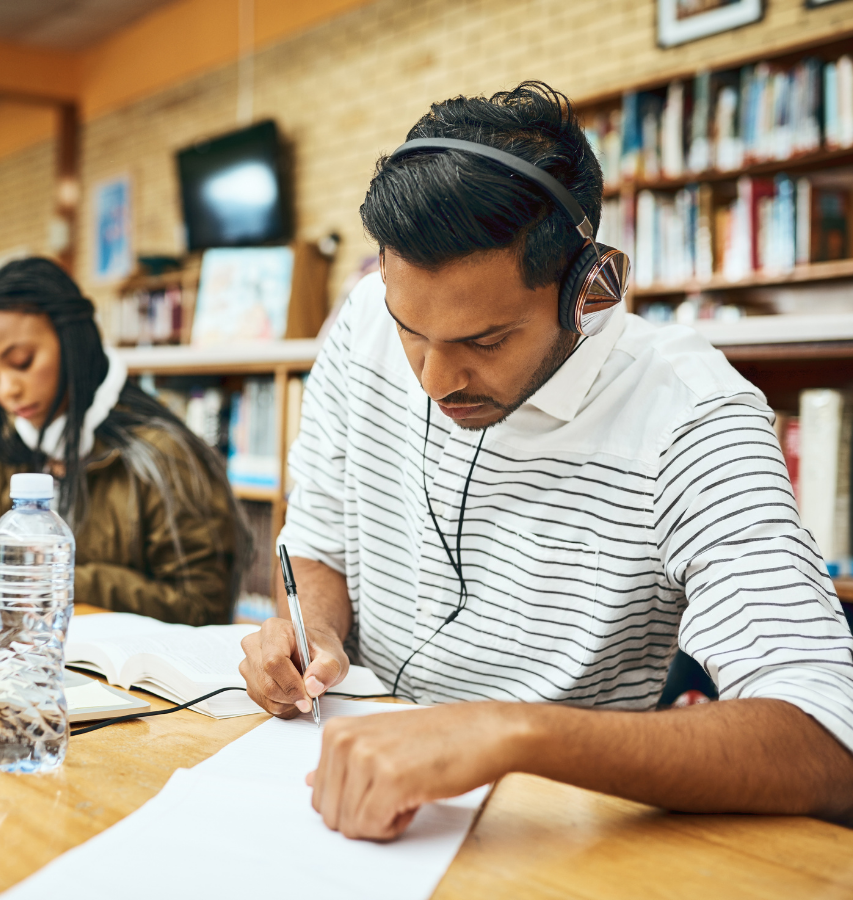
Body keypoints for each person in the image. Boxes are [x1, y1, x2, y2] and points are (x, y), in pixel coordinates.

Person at [238, 82, 853, 839]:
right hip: (347, 783)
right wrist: (315, 634)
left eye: (485, 341)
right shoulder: (363, 319)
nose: (434, 382)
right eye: (412, 332)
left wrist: (512, 735)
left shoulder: (691, 416)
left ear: (584, 290)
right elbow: (318, 546)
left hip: (559, 834)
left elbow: (829, 743)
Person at [0, 258, 247, 626]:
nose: (8, 390)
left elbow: (202, 607)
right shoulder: (20, 448)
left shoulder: (161, 454)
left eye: (22, 361)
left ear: (72, 341)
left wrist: (59, 578)